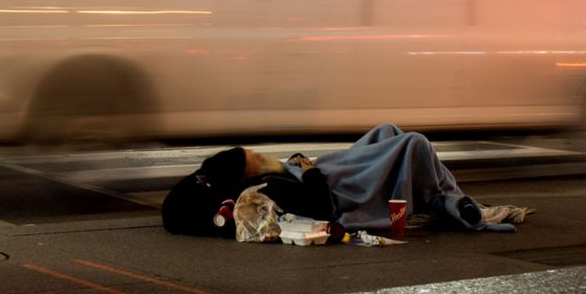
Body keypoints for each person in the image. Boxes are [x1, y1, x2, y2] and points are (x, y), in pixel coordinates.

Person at [161, 123, 530, 237]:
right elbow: (321, 204)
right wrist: (306, 170)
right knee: (413, 144)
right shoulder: (268, 189)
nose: (260, 155)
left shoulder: (213, 181)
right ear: (248, 174)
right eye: (254, 158)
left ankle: (446, 196)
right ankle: (448, 200)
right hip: (337, 186)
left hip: (324, 168)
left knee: (387, 131)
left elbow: (175, 205)